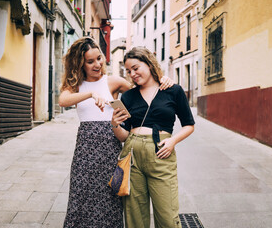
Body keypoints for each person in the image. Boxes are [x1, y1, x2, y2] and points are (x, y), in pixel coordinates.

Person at [58, 37, 173, 228]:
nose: (97, 64)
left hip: (110, 146)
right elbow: (63, 100)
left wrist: (162, 79)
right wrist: (90, 94)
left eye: (99, 58)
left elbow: (143, 88)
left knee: (110, 197)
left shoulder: (113, 81)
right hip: (84, 151)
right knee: (81, 196)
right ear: (80, 64)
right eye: (90, 61)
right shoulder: (76, 85)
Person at [111, 47, 195, 228]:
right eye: (128, 71)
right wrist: (115, 124)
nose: (132, 74)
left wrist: (173, 141)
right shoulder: (128, 96)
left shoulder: (173, 90)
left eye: (136, 68)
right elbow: (123, 136)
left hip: (161, 153)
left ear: (149, 64)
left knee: (167, 216)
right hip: (132, 155)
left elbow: (189, 125)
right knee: (134, 216)